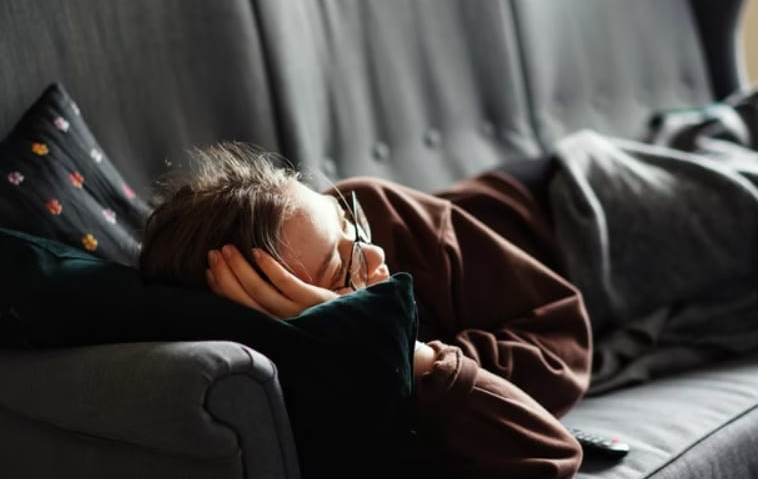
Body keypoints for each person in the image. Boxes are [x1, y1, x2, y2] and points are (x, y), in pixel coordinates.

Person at [139, 142, 592, 479]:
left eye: (346, 221)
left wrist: (427, 360)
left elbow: (563, 340)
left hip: (571, 200)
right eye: (341, 268)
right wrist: (398, 349)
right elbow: (549, 455)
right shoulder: (321, 388)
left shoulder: (378, 210)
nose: (373, 254)